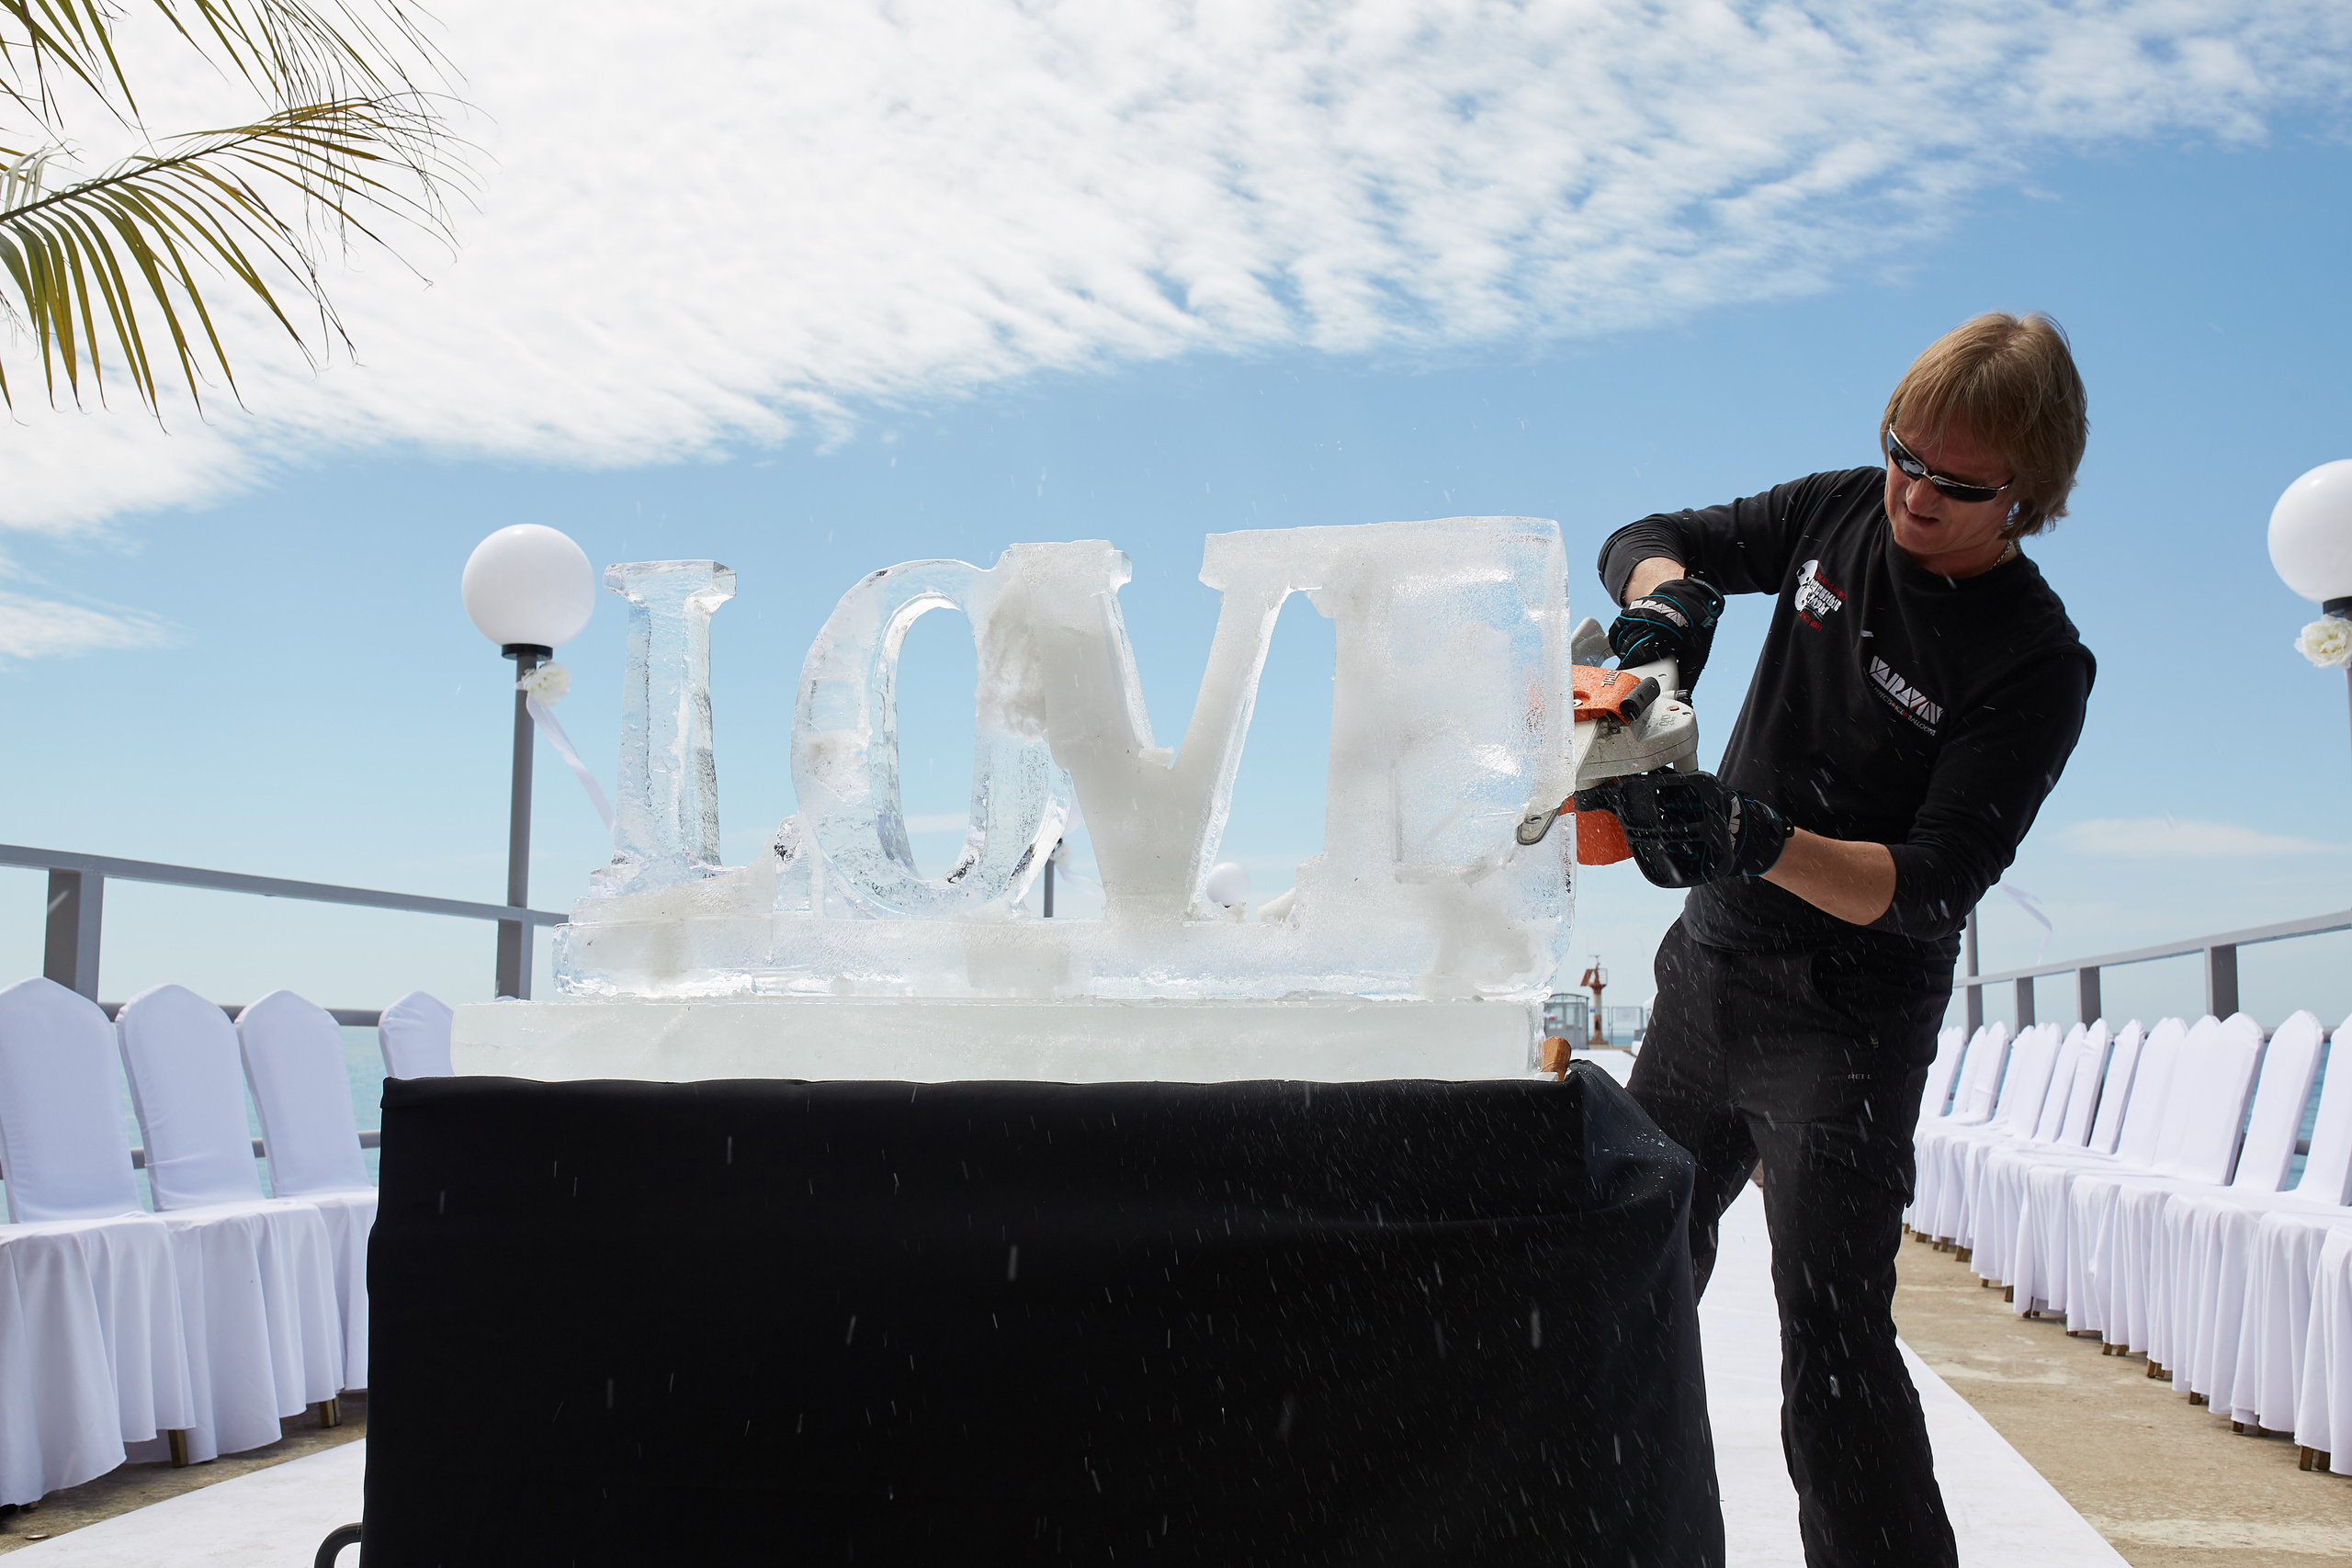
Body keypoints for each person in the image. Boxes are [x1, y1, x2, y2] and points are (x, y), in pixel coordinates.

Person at [1577, 311, 2094, 1567]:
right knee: (1630, 1268)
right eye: (1901, 454)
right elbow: (1649, 536)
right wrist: (1665, 606)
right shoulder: (1838, 509)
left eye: (1954, 484)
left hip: (1849, 1022)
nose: (1912, 493)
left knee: (1833, 1343)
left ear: (2026, 497)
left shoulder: (2035, 660)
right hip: (1708, 974)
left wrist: (1753, 837)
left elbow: (1932, 884)